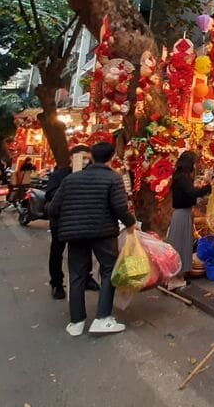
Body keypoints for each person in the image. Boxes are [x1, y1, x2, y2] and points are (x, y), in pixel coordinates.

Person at [48, 142, 136, 336]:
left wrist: (68, 222)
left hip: (75, 234)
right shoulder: (112, 178)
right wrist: (131, 224)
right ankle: (103, 318)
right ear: (111, 158)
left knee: (77, 274)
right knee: (108, 272)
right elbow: (120, 208)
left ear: (91, 157)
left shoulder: (72, 179)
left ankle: (76, 321)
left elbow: (53, 208)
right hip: (102, 232)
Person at [46, 145, 99, 300]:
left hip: (83, 220)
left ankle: (86, 277)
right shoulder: (59, 175)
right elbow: (51, 195)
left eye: (87, 158)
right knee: (57, 252)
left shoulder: (90, 175)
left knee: (85, 249)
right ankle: (56, 282)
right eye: (82, 158)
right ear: (72, 157)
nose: (85, 161)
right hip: (61, 222)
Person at [167, 151, 212, 290]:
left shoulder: (180, 176)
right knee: (180, 246)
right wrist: (208, 187)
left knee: (182, 244)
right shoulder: (182, 177)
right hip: (182, 214)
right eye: (194, 162)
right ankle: (175, 278)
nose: (195, 165)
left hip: (183, 214)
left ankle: (178, 276)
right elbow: (191, 193)